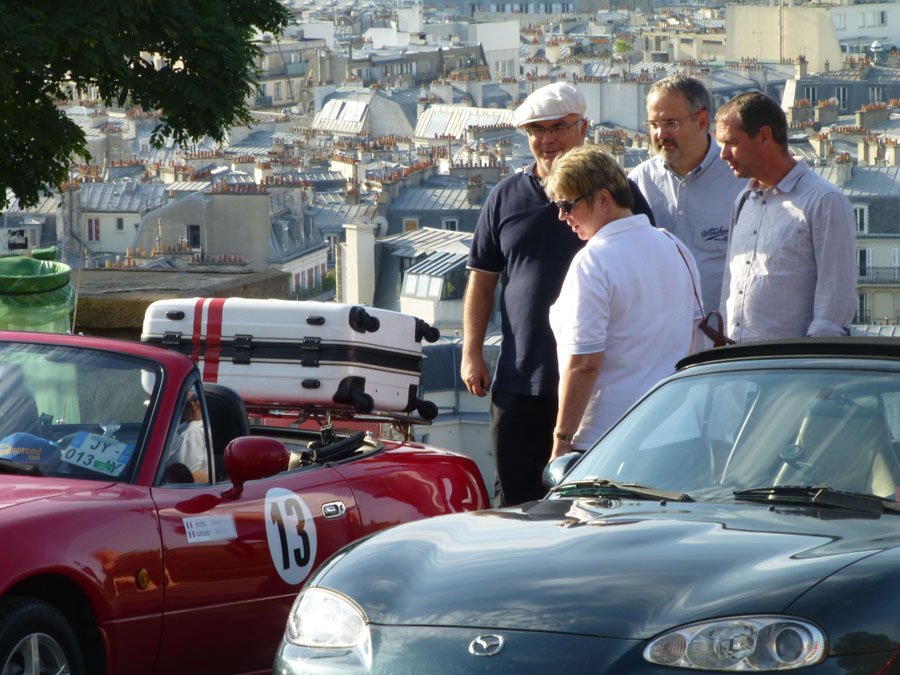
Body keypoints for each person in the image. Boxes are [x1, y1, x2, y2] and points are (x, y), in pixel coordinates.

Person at [462, 81, 656, 506]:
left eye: (558, 127)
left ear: (583, 128)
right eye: (536, 129)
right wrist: (471, 352)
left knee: (595, 505)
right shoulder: (505, 196)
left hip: (598, 386)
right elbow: (482, 277)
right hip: (521, 378)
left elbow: (643, 268)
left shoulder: (616, 195)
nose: (546, 139)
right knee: (516, 503)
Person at [544, 146, 702, 460]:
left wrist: (561, 440)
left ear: (604, 199)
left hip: (610, 436)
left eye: (567, 204)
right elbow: (696, 337)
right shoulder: (675, 246)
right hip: (677, 428)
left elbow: (585, 363)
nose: (562, 216)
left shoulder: (593, 261)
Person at [715, 91, 856, 342]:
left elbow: (834, 305)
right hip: (738, 360)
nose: (723, 154)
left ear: (764, 136)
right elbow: (730, 287)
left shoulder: (824, 201)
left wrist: (808, 360)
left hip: (790, 363)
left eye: (732, 143)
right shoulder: (743, 201)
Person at [629, 75, 746, 315]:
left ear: (702, 121)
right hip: (657, 328)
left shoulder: (740, 181)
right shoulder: (638, 182)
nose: (660, 134)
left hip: (719, 331)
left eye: (671, 123)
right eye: (653, 124)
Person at [165, 387, 210, 483]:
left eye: (194, 399)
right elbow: (195, 477)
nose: (193, 405)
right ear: (181, 410)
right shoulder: (192, 432)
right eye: (187, 404)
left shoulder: (191, 428)